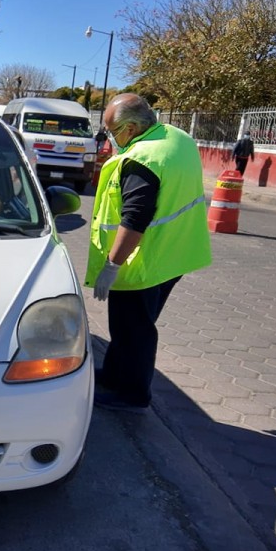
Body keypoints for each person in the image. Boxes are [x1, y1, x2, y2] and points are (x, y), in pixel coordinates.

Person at [85, 93, 212, 413]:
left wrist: (112, 265)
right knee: (128, 325)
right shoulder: (177, 138)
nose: (110, 136)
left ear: (130, 128)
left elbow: (135, 218)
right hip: (177, 253)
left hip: (145, 260)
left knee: (135, 329)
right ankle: (115, 374)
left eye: (112, 130)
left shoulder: (141, 160)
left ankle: (133, 394)